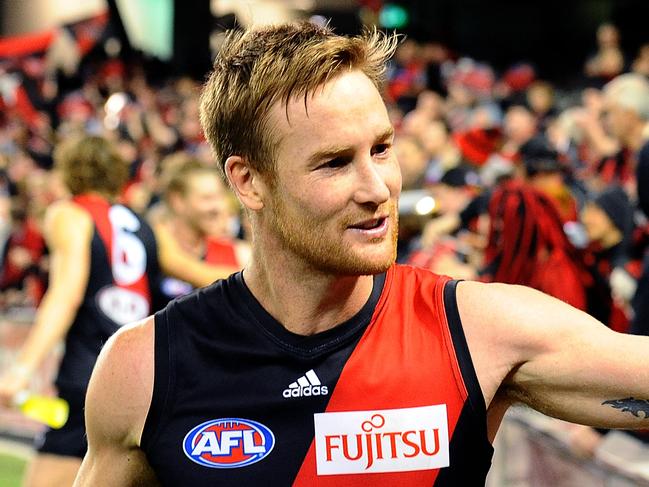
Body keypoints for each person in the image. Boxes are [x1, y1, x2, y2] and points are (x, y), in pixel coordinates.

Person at [74, 23, 649, 486]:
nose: (378, 187)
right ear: (248, 181)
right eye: (335, 162)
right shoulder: (143, 369)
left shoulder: (476, 330)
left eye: (381, 148)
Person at [0, 135, 238, 487]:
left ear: (70, 172)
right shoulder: (144, 226)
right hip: (143, 378)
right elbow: (201, 275)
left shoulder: (69, 213)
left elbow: (65, 293)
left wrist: (22, 368)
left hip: (90, 378)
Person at [154, 157, 249, 303]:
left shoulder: (239, 253)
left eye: (220, 196)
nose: (218, 207)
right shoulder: (153, 243)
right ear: (177, 201)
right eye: (207, 198)